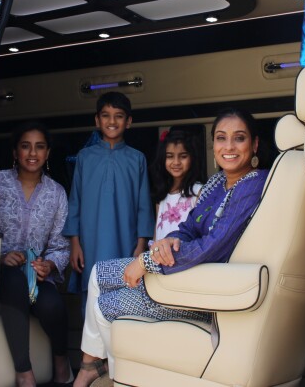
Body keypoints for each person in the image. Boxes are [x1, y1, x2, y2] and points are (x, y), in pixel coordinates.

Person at [72, 108, 269, 387]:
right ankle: (90, 366)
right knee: (98, 273)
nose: (229, 147)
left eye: (239, 138)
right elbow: (188, 229)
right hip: (185, 275)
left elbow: (213, 247)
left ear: (255, 144)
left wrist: (148, 261)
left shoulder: (253, 184)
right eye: (221, 138)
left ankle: (118, 378)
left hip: (206, 293)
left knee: (106, 306)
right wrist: (166, 242)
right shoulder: (217, 183)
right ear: (213, 145)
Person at [0, 121, 72, 387]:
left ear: (48, 153)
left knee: (53, 306)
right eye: (25, 146)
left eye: (39, 147)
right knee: (13, 281)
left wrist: (48, 265)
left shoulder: (56, 193)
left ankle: (61, 360)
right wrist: (1, 258)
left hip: (36, 277)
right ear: (15, 152)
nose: (32, 153)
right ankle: (24, 373)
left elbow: (61, 244)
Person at [63, 92, 153, 315]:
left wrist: (141, 245)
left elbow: (144, 205)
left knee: (124, 300)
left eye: (119, 116)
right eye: (106, 115)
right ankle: (92, 352)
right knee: (91, 300)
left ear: (129, 121)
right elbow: (75, 201)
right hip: (89, 244)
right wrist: (75, 244)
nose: (112, 121)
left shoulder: (137, 158)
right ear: (97, 120)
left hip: (126, 243)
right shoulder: (84, 157)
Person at [150, 127, 204, 241]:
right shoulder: (162, 193)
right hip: (159, 256)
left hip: (185, 256)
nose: (176, 162)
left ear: (192, 158)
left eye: (183, 156)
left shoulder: (198, 191)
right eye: (169, 156)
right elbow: (157, 232)